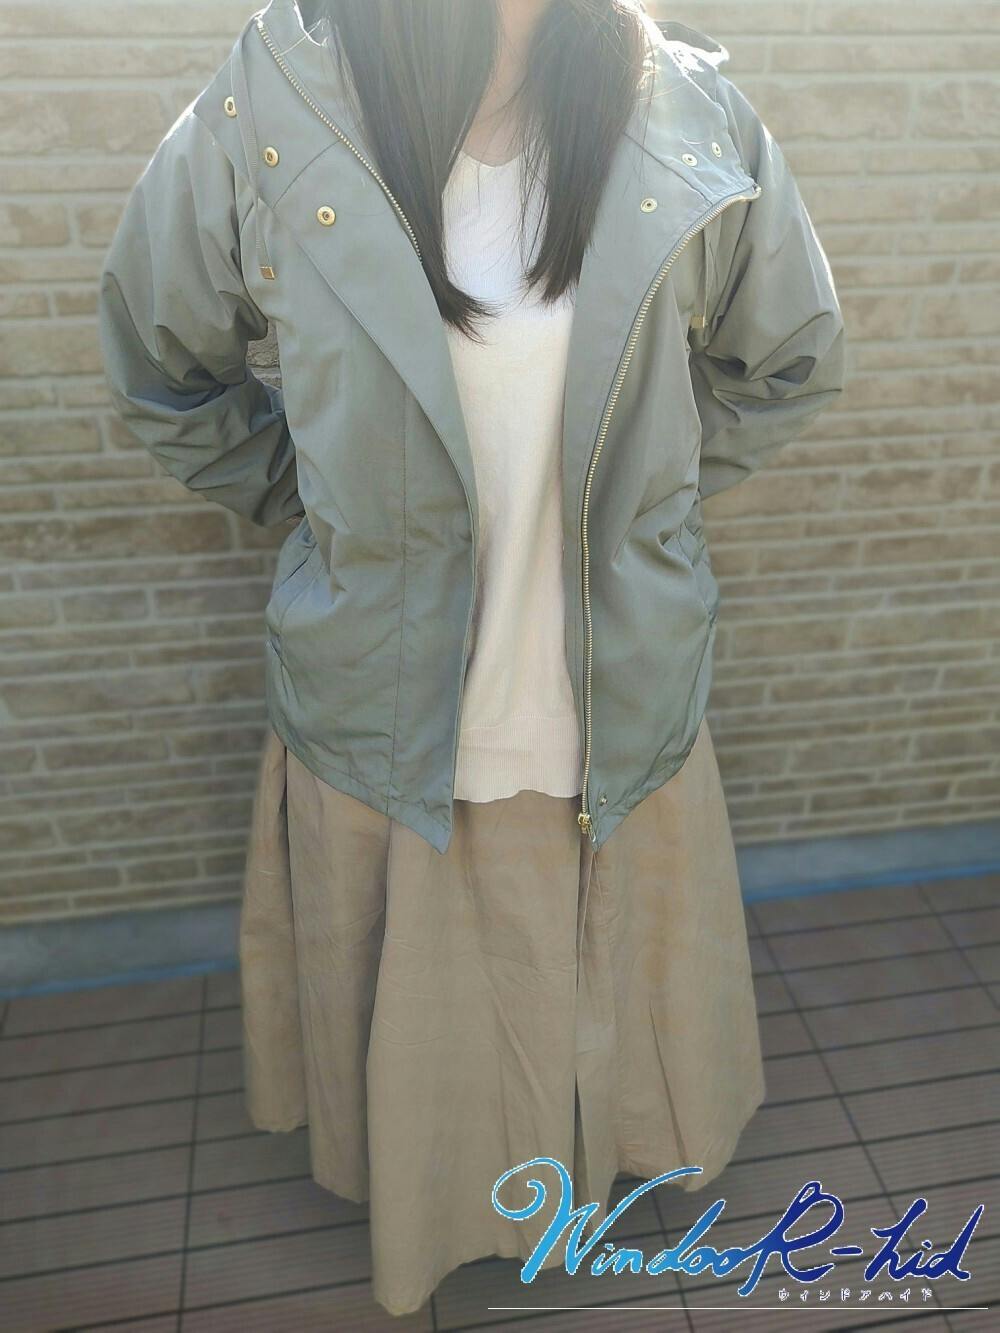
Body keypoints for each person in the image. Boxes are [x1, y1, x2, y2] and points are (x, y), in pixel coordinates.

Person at [96, 0, 845, 1316]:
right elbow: (161, 365)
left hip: (613, 681)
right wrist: (325, 507)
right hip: (385, 699)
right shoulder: (273, 102)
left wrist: (643, 507)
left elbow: (788, 358)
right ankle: (437, 1209)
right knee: (431, 1009)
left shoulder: (682, 105)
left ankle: (601, 1170)